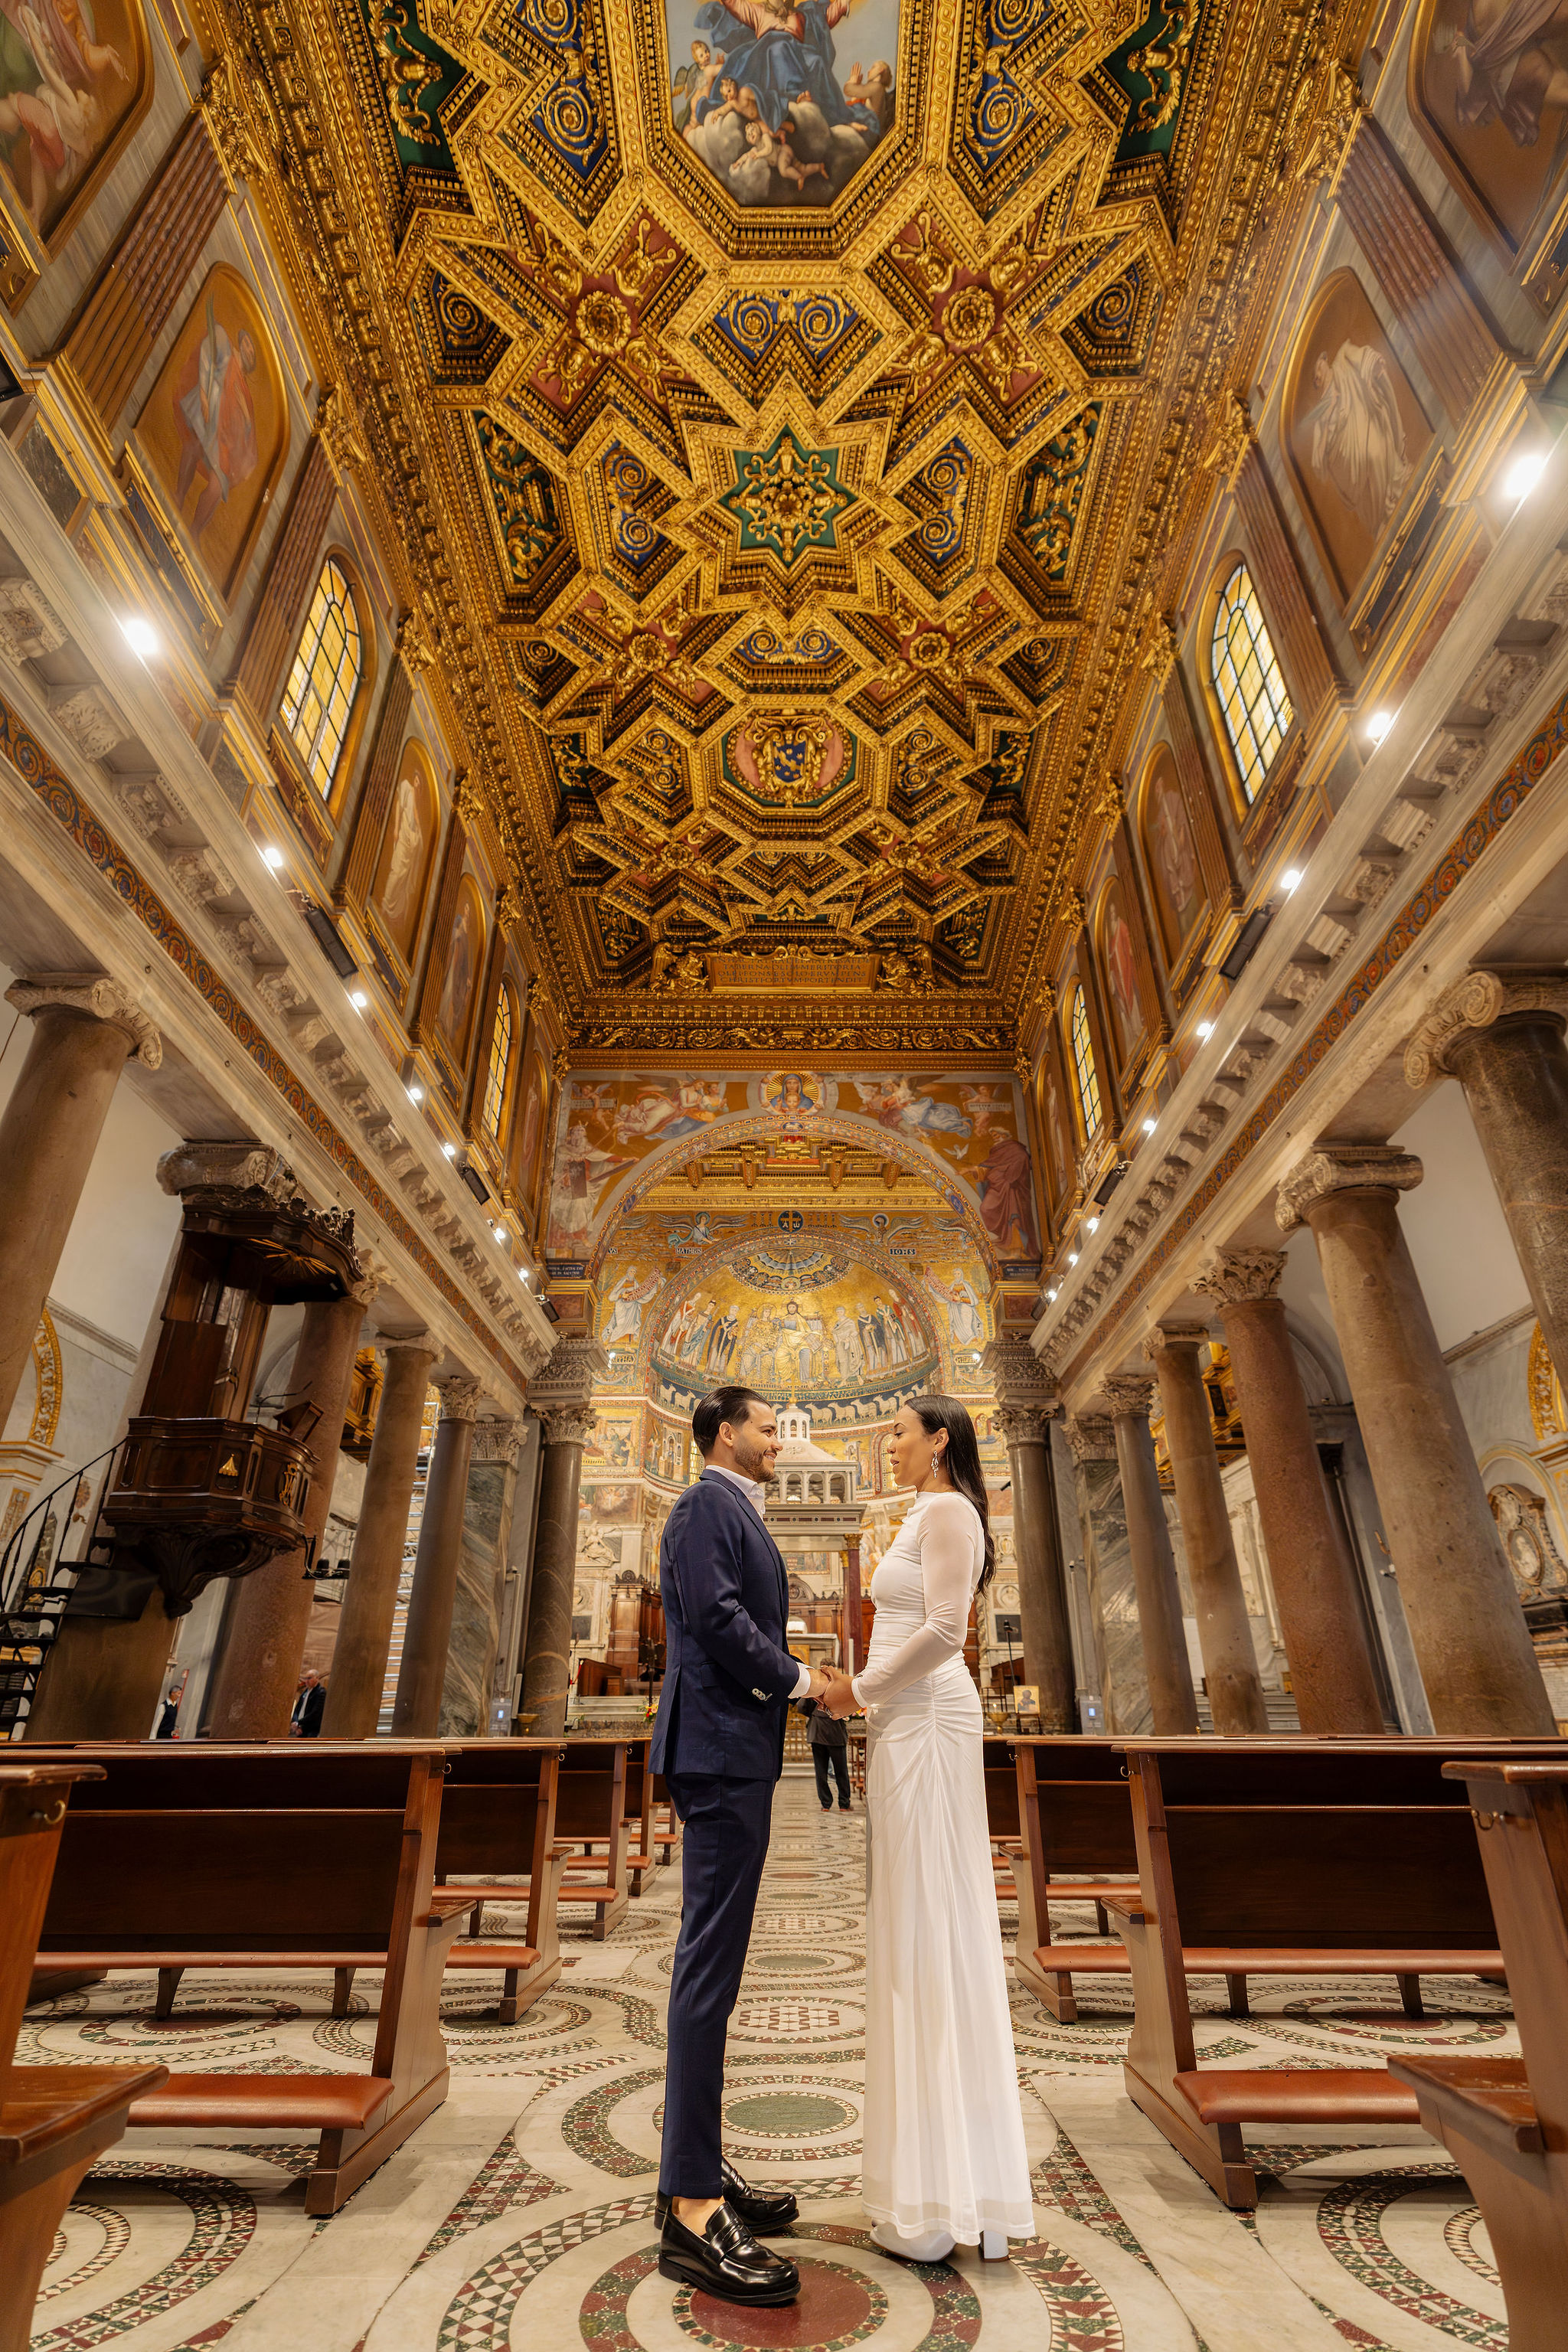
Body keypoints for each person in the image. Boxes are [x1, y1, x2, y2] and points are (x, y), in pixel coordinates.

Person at [819, 1396, 1033, 2265]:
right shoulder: (921, 1513)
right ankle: (931, 2183)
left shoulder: (948, 1510)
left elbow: (948, 1630)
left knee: (933, 1927)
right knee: (912, 1929)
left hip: (929, 1717)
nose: (890, 1447)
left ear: (939, 1439)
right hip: (903, 1720)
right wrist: (867, 1696)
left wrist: (854, 1692)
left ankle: (949, 2193)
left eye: (899, 1433)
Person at [649, 1384, 835, 2307]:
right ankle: (689, 2210)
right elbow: (719, 1624)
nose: (778, 1442)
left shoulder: (730, 1508)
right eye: (768, 1429)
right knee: (707, 1972)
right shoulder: (700, 1506)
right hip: (718, 1753)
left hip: (734, 1751)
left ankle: (699, 2169)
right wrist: (805, 1680)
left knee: (713, 1969)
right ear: (727, 1432)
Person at [802, 1687, 851, 1810]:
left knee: (821, 1771)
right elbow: (848, 1707)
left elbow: (802, 1706)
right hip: (835, 1731)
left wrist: (816, 1713)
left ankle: (826, 1804)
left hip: (817, 1730)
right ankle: (844, 1804)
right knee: (841, 1770)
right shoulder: (840, 1687)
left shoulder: (815, 1686)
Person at [289, 1668, 325, 1737]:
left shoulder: (321, 1692)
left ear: (317, 1678)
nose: (306, 1681)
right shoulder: (305, 1692)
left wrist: (299, 1723)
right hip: (300, 1728)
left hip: (311, 1730)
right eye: (306, 1679)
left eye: (309, 1678)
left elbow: (315, 1713)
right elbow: (297, 1709)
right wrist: (295, 1722)